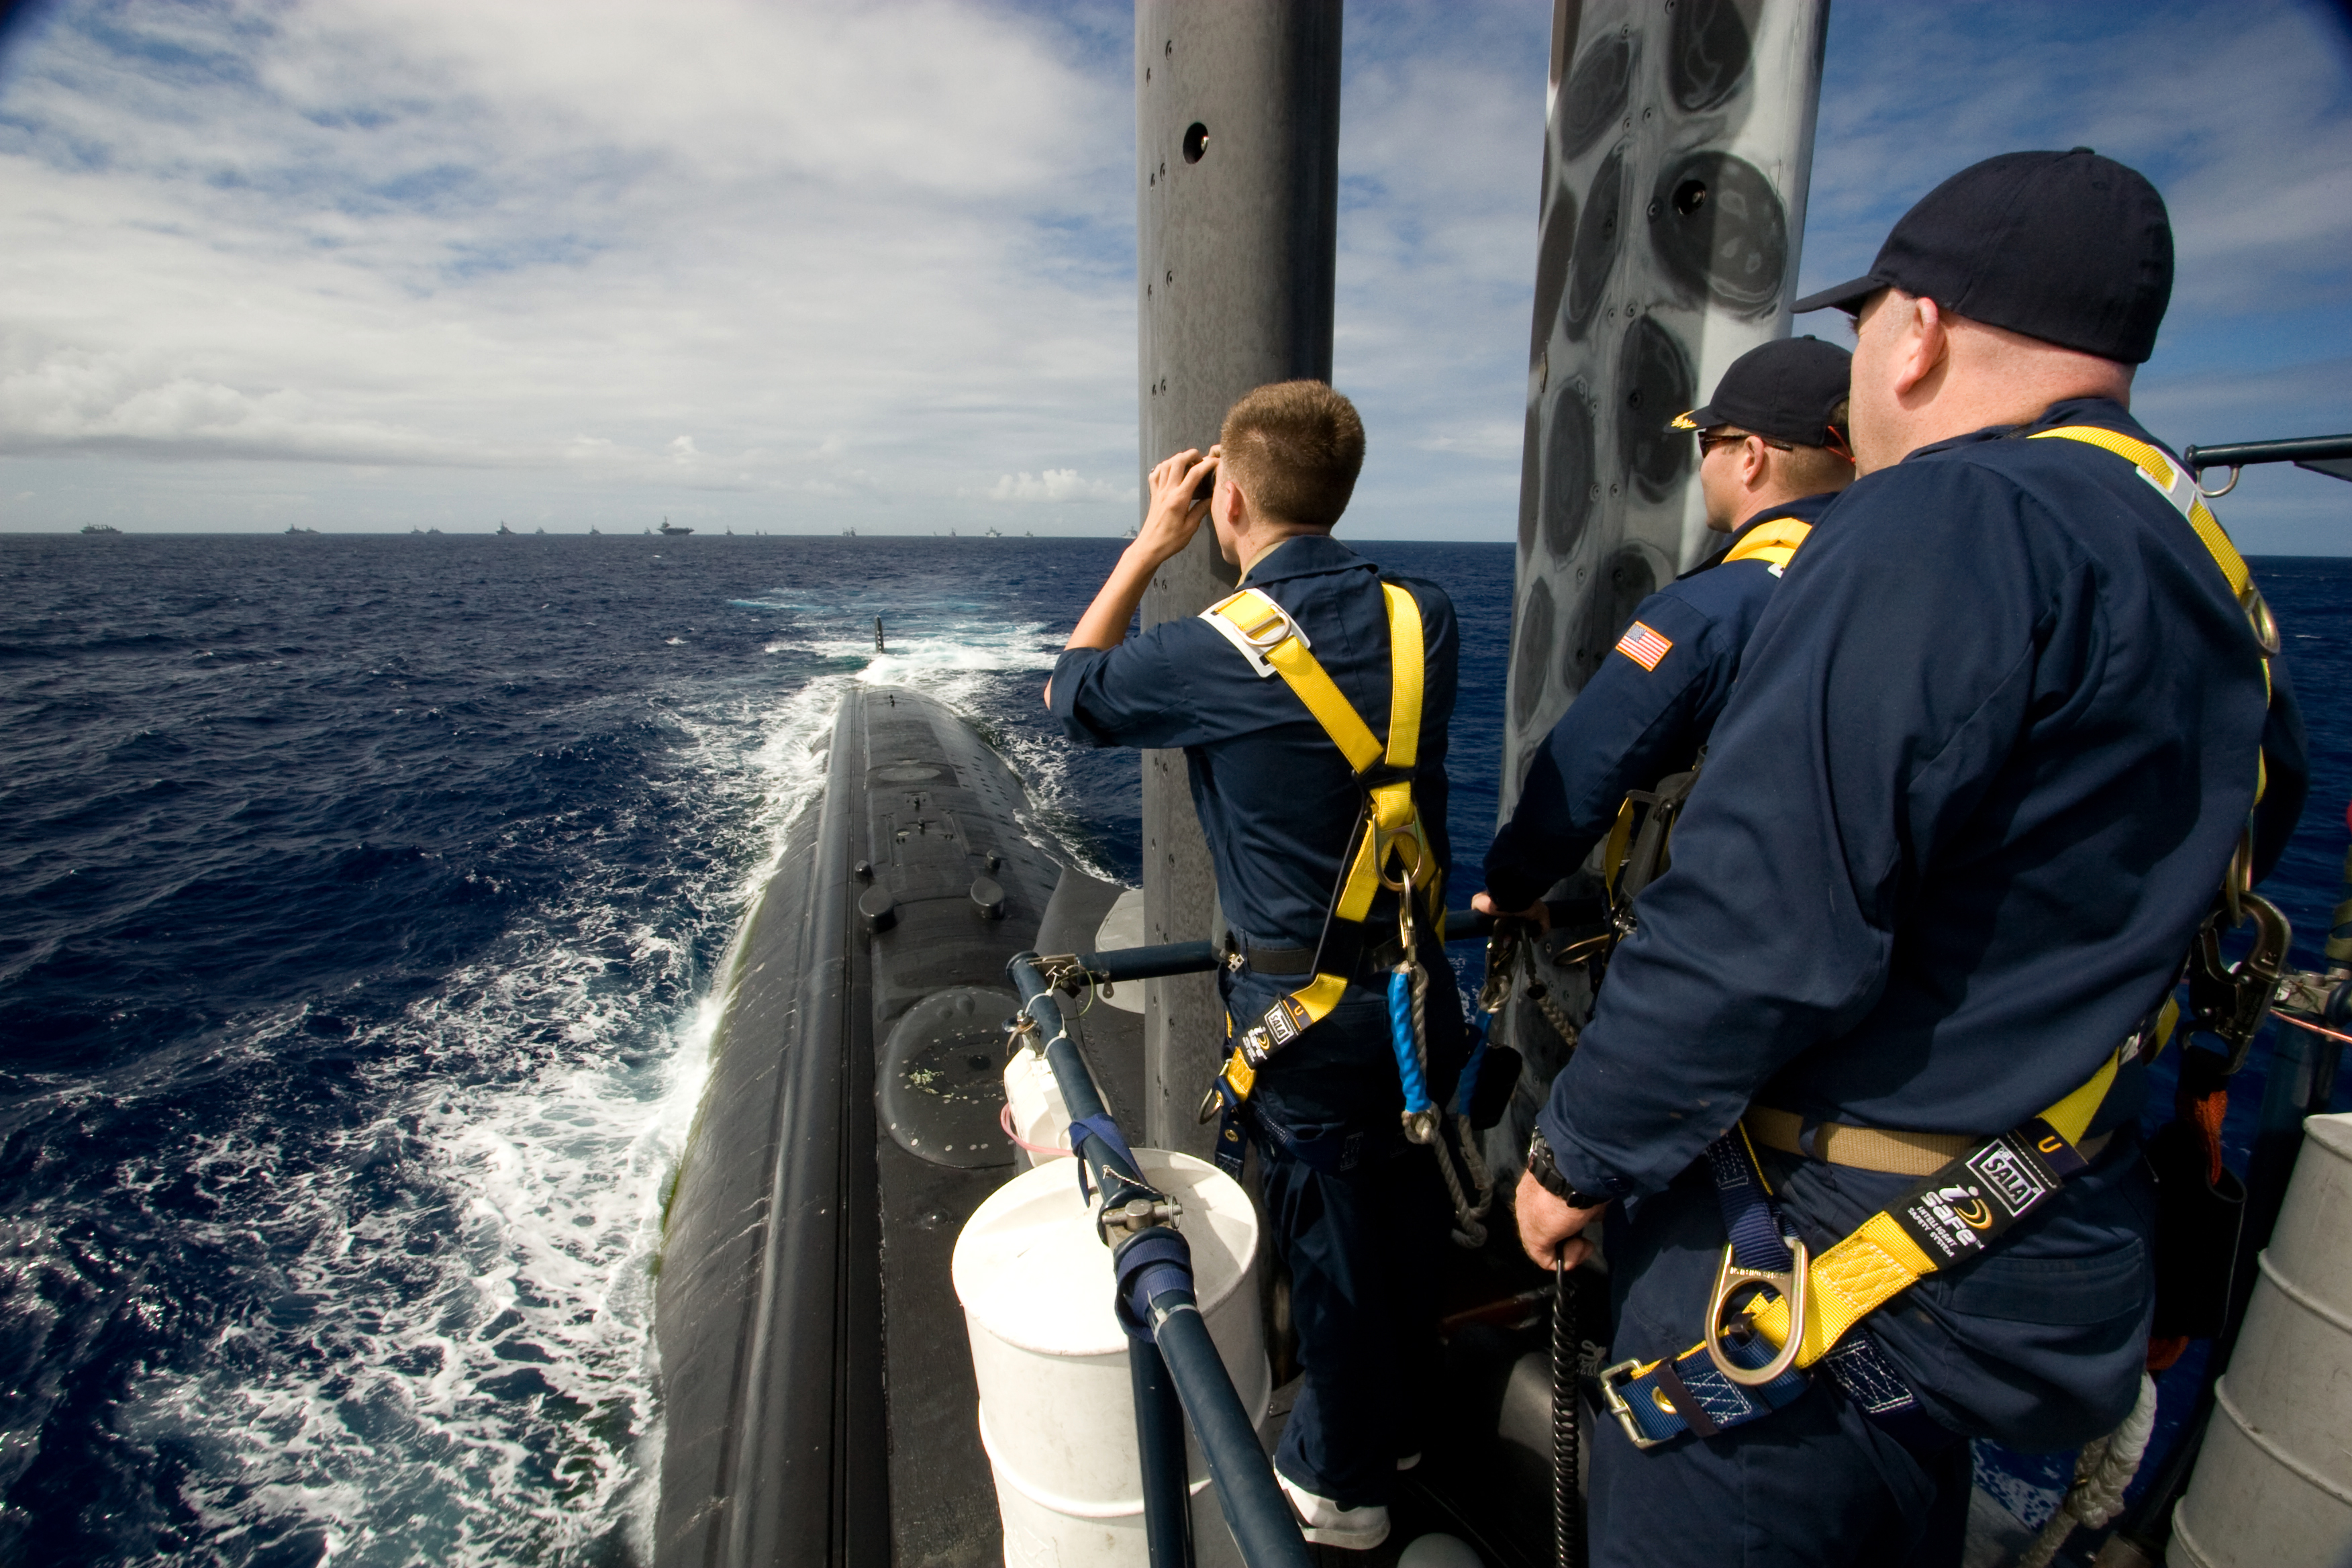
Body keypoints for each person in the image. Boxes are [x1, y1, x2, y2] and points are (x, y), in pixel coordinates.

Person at [1510, 149, 2308, 1565]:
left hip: (1829, 1273)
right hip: (2050, 1251)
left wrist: (1578, 1158)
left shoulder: (1945, 518)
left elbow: (1763, 912)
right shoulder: (2214, 568)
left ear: (1921, 329)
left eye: (1870, 324)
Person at [1047, 380, 1468, 1551]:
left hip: (1302, 1019)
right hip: (1417, 995)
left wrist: (1149, 542)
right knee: (1401, 1219)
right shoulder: (1421, 613)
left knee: (1330, 1246)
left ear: (1223, 494)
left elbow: (1072, 691)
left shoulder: (1208, 653)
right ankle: (1403, 1429)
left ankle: (1340, 1489)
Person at [1474, 334, 1855, 926]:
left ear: (1750, 456)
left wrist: (1513, 883)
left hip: (1728, 940)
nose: (1703, 463)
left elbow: (1586, 768)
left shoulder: (1707, 613)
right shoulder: (1904, 583)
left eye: (1709, 441)